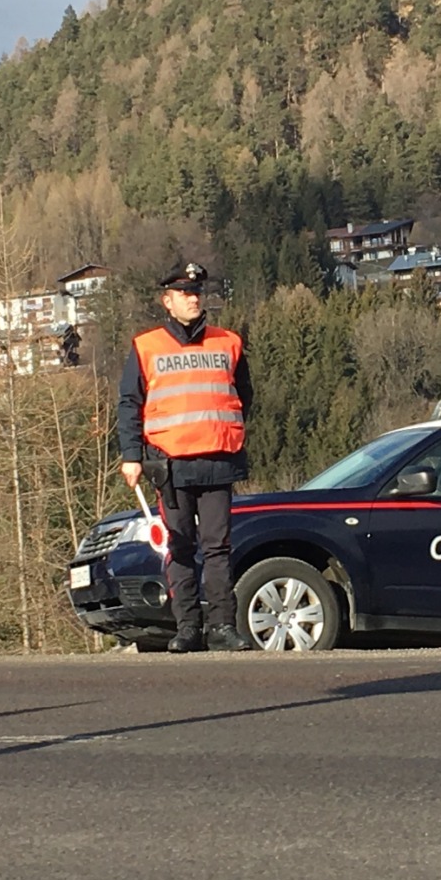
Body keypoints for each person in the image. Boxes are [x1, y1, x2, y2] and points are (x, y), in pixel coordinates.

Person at [118, 260, 254, 653]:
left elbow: (244, 396)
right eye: (184, 293)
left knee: (217, 549)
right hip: (170, 464)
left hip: (217, 458)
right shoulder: (146, 346)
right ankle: (187, 627)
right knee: (179, 547)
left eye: (196, 292)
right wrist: (132, 456)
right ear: (168, 301)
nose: (193, 298)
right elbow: (130, 403)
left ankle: (223, 626)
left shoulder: (228, 341)